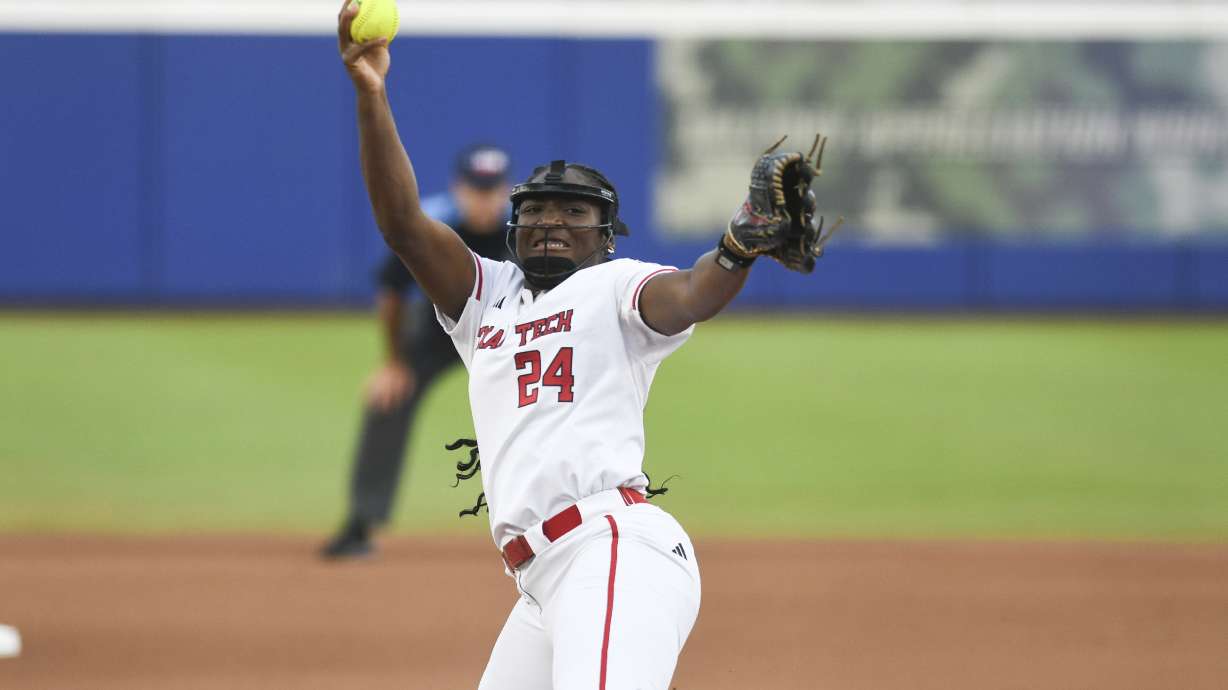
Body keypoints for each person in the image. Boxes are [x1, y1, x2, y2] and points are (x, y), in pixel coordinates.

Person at [337, 2, 830, 686]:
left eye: (575, 213)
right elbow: (401, 224)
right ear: (514, 228)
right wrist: (372, 91)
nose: (550, 222)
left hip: (612, 552)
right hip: (541, 582)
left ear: (605, 236)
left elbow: (692, 293)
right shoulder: (485, 299)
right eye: (535, 210)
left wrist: (736, 247)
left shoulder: (618, 288)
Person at [320, 143, 513, 560]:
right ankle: (360, 524)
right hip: (435, 329)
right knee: (388, 399)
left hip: (508, 334)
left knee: (543, 405)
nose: (484, 199)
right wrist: (393, 362)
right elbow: (392, 290)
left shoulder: (524, 228)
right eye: (476, 188)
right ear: (458, 188)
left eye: (493, 189)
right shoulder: (433, 221)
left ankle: (554, 523)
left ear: (507, 191)